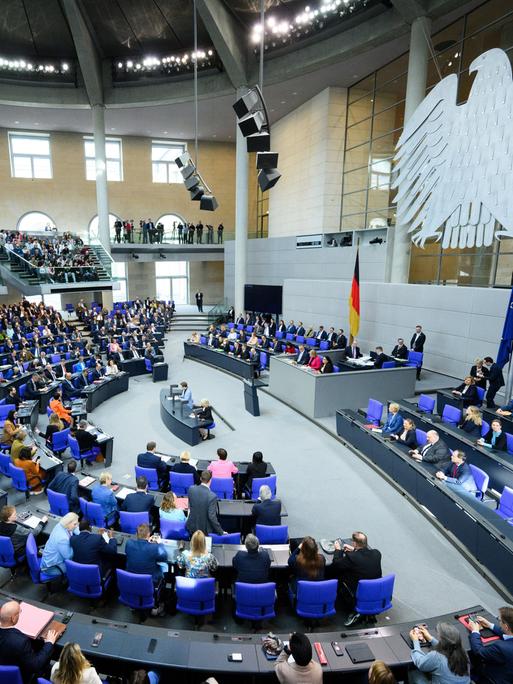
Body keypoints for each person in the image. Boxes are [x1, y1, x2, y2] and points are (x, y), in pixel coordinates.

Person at [329, 531, 382, 626]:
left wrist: (338, 550)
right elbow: (363, 558)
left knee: (336, 573)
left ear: (354, 543)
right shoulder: (377, 553)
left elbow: (336, 564)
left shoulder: (352, 558)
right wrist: (354, 550)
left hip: (358, 592)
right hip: (376, 591)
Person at [0, 600, 58, 681]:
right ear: (13, 618)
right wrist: (49, 643)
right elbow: (35, 665)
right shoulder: (21, 642)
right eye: (19, 613)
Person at [468, 607, 513, 684]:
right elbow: (509, 634)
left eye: (499, 620)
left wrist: (475, 631)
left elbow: (479, 651)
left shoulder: (500, 647)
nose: (498, 620)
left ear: (506, 627)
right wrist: (490, 625)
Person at [125, 523, 168, 588]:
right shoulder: (155, 547)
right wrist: (160, 543)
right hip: (150, 582)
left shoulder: (129, 543)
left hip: (131, 578)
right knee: (165, 566)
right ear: (148, 534)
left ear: (136, 534)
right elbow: (164, 557)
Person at [186, 470, 224, 536]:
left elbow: (190, 507)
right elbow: (212, 517)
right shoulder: (212, 496)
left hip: (191, 528)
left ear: (200, 478)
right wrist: (221, 532)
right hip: (204, 532)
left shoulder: (191, 489)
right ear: (210, 480)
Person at [41, 512, 80, 576]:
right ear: (68, 523)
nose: (76, 526)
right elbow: (68, 556)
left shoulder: (60, 525)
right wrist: (77, 546)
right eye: (75, 524)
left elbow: (74, 529)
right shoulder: (63, 539)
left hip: (48, 559)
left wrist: (81, 534)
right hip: (52, 568)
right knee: (78, 568)